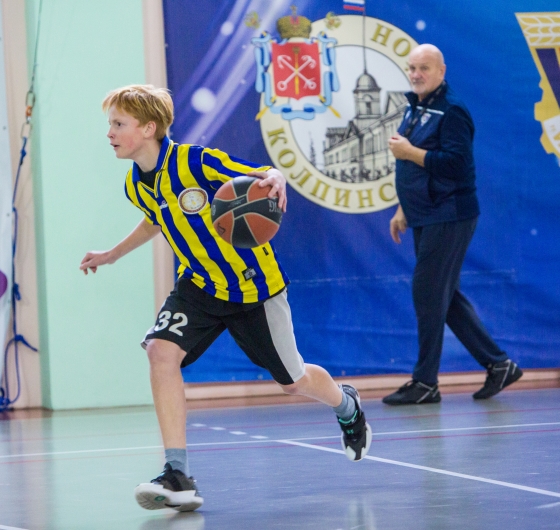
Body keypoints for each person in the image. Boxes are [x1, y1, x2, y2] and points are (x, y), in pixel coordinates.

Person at [80, 85, 372, 512]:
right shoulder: (135, 185)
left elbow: (257, 175)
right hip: (198, 285)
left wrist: (275, 175)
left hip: (253, 287)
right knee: (161, 352)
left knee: (292, 382)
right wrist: (112, 254)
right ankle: (176, 474)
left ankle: (347, 405)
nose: (110, 132)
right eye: (110, 124)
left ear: (148, 128)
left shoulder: (194, 161)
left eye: (118, 124)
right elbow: (155, 221)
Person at [384, 44, 523, 405]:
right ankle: (499, 365)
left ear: (441, 71)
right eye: (412, 67)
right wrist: (403, 207)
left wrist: (410, 152)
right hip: (424, 213)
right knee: (443, 296)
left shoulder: (452, 110)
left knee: (428, 293)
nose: (416, 74)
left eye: (424, 68)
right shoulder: (417, 106)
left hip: (449, 213)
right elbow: (413, 165)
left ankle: (425, 383)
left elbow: (456, 164)